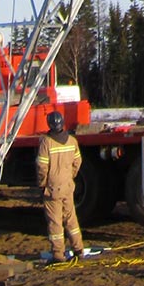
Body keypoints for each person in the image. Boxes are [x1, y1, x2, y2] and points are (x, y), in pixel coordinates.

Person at [34, 109, 84, 262]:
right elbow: (78, 161)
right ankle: (79, 249)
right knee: (71, 218)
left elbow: (41, 166)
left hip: (52, 188)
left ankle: (58, 254)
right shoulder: (72, 141)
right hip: (68, 186)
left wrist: (43, 185)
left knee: (55, 222)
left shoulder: (46, 142)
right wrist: (70, 177)